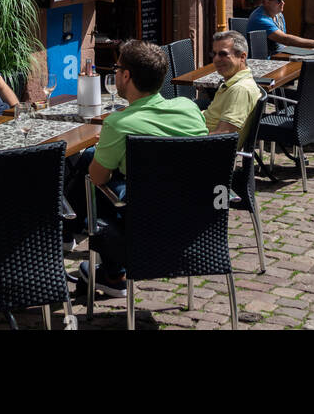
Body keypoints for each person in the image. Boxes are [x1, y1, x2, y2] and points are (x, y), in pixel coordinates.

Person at [65, 39, 208, 298]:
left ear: (126, 76)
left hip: (144, 231)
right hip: (194, 227)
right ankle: (107, 270)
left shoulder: (119, 124)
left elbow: (97, 178)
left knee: (94, 175)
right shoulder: (189, 109)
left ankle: (109, 270)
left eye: (117, 68)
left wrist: (106, 150)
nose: (115, 73)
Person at [203, 31, 261, 146]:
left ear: (242, 57)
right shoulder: (232, 81)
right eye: (214, 54)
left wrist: (185, 138)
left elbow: (223, 135)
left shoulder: (240, 90)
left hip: (202, 151)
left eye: (223, 54)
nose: (216, 59)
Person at [246, 0, 314, 50]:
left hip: (282, 54)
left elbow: (284, 43)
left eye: (283, 0)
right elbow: (285, 39)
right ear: (266, 2)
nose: (283, 3)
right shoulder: (260, 19)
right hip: (267, 60)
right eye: (279, 1)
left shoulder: (278, 14)